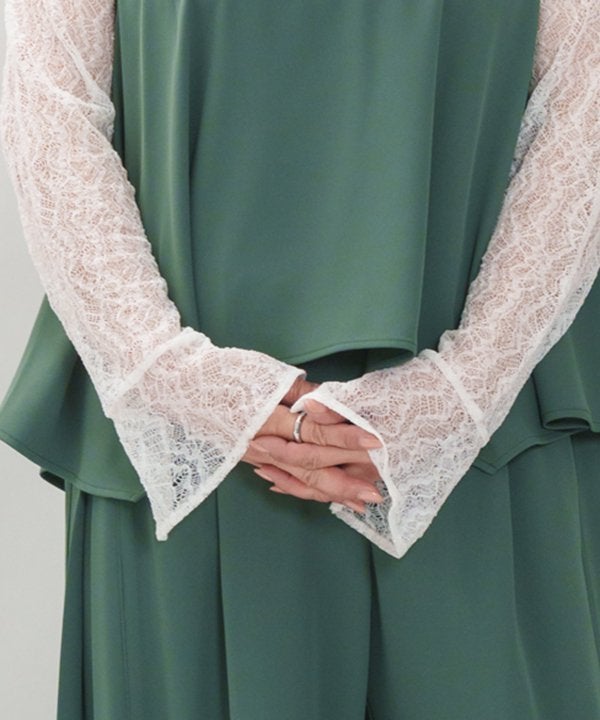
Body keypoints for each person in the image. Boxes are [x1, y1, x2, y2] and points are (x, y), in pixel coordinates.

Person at [1, 0, 599, 718]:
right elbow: (52, 109)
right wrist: (179, 379)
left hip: (485, 430)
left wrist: (459, 395)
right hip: (186, 439)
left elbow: (584, 102)